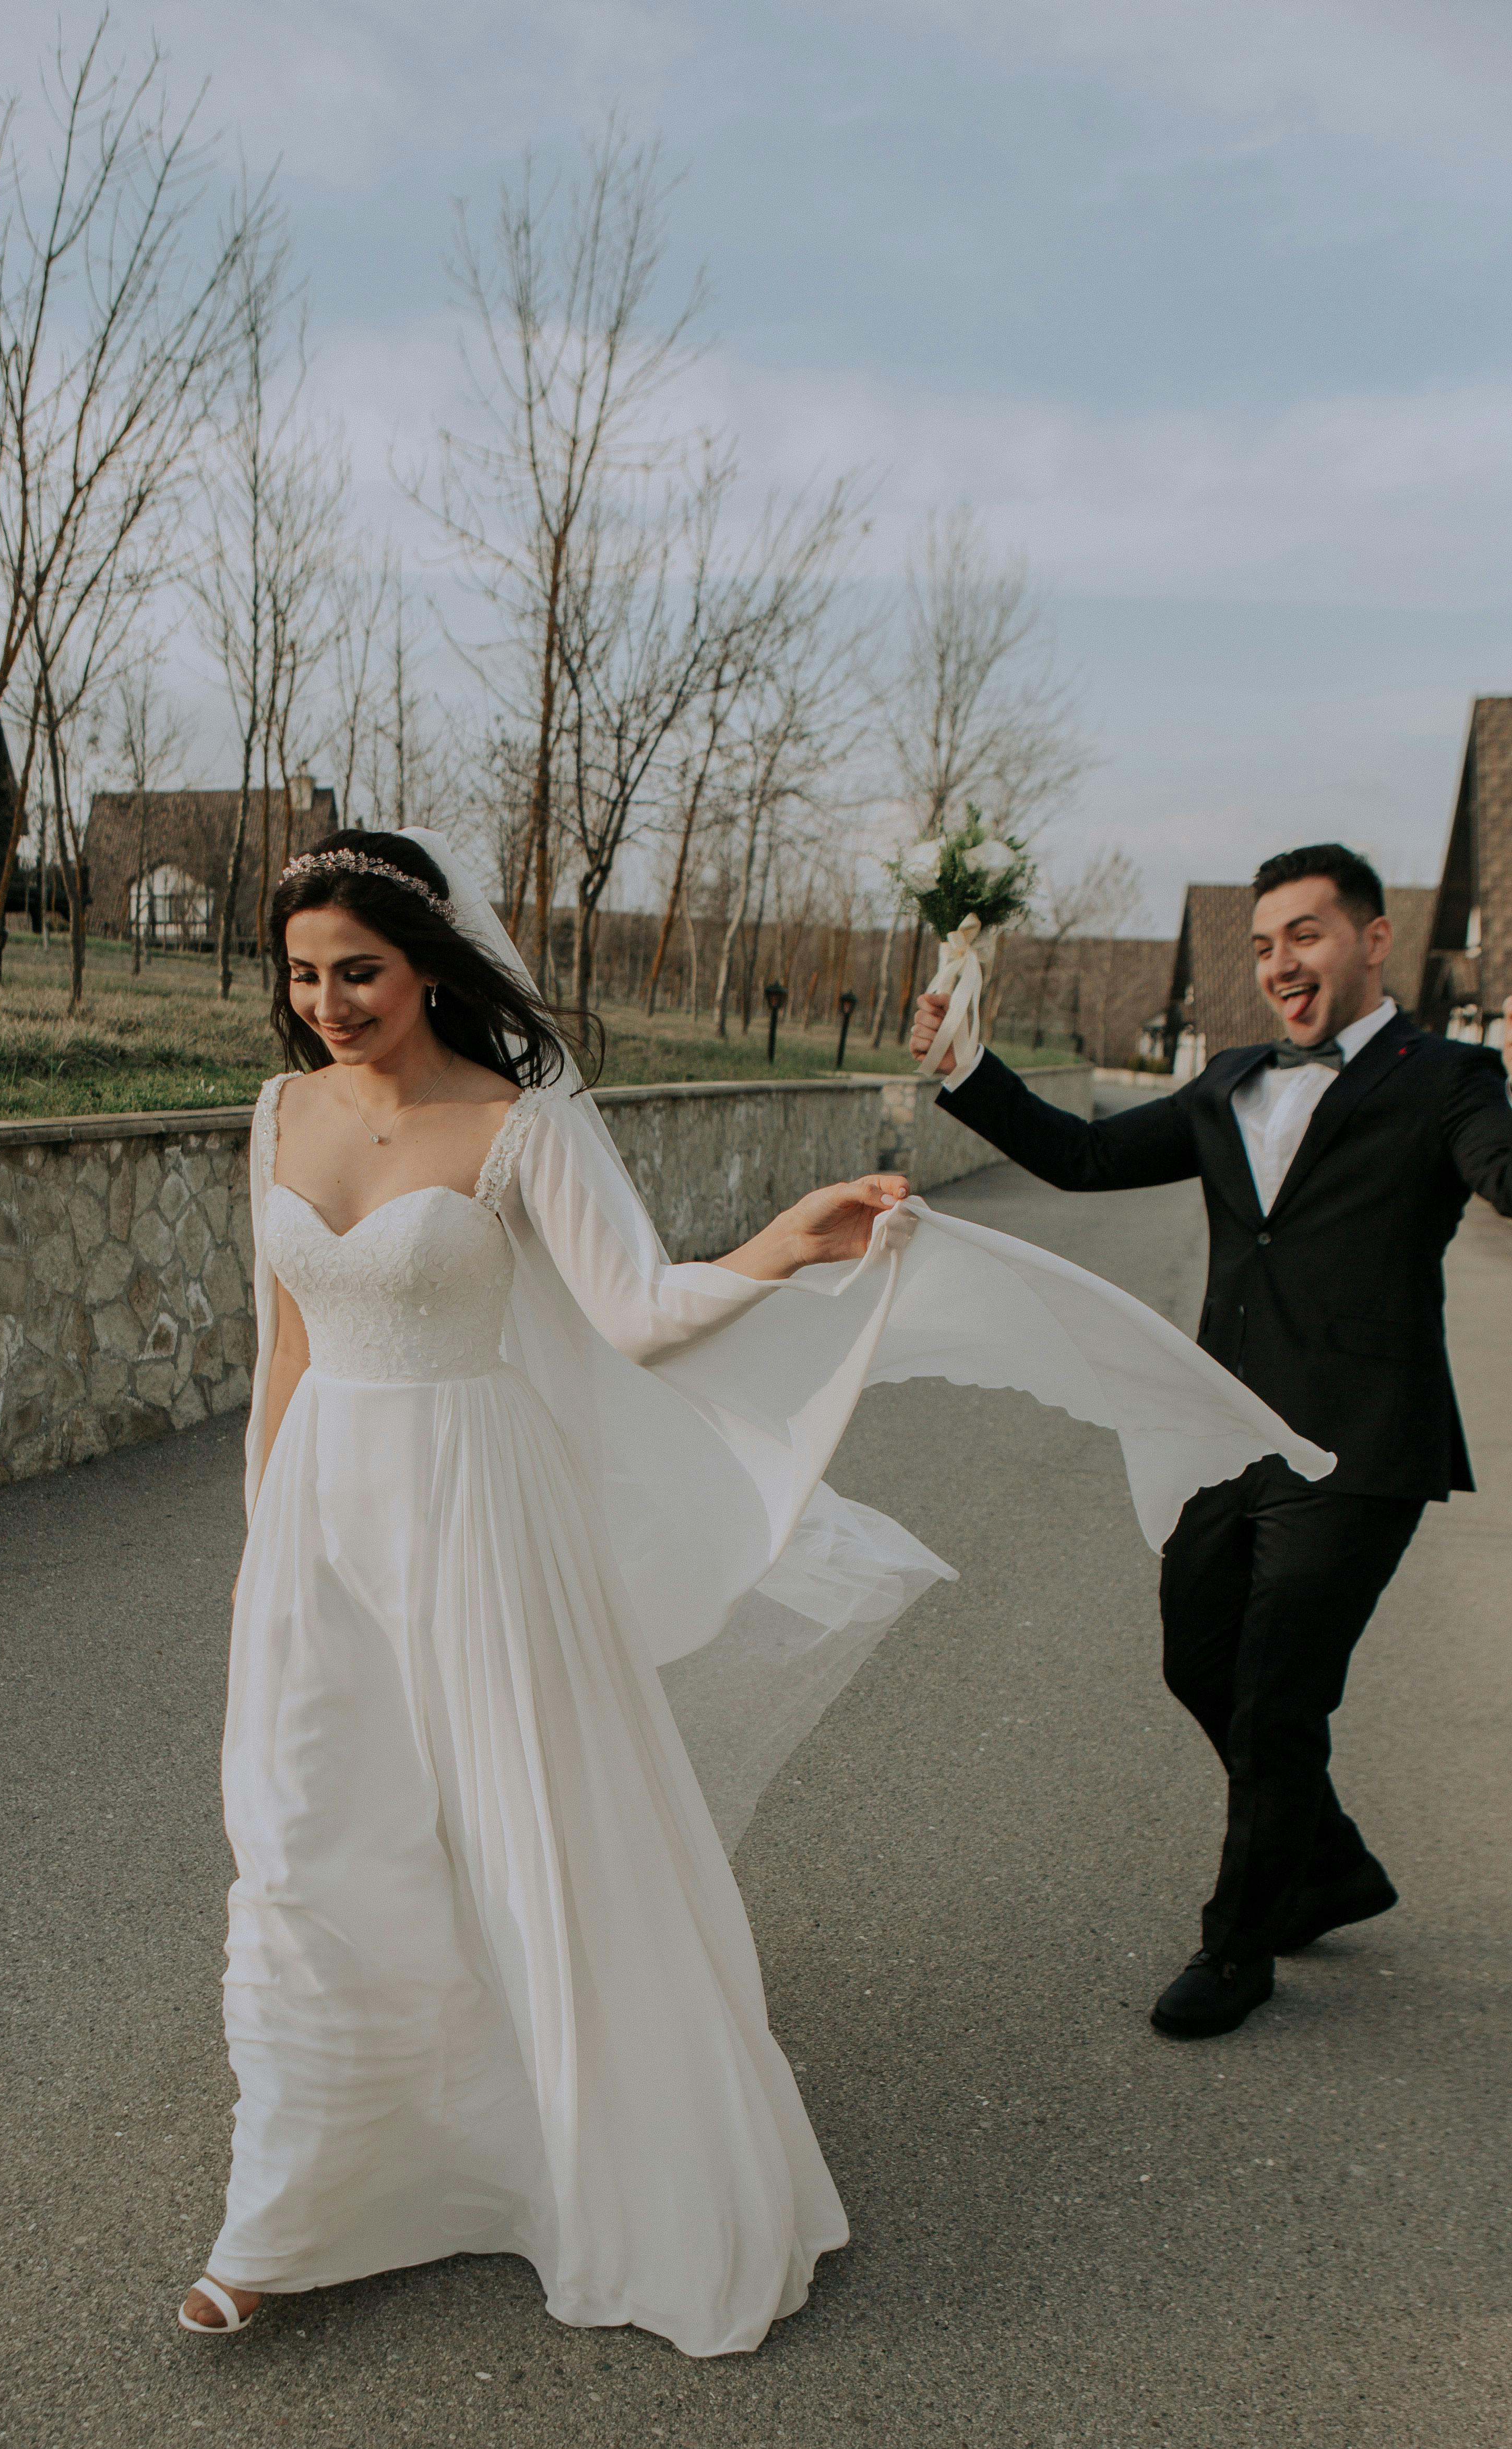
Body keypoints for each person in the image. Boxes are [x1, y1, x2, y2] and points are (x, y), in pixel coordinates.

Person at [181, 829, 1327, 2355]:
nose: (328, 1001)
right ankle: (286, 2211)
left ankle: (570, 2158)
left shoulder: (515, 1123)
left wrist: (795, 1239)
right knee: (311, 1840)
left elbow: (641, 1313)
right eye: (304, 974)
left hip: (477, 1523)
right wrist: (267, 1539)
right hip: (322, 1526)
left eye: (361, 972)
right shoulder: (279, 1112)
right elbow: (287, 1345)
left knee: (522, 1835)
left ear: (432, 967)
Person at [912, 842, 1512, 2040]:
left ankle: (1238, 1949)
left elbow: (1494, 1167)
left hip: (1355, 1448)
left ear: (1371, 937)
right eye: (1261, 945)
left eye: (1304, 935)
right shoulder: (1227, 1081)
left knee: (1273, 1700)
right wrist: (963, 1064)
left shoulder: (1448, 1075)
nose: (1279, 965)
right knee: (1198, 1661)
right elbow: (1083, 1160)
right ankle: (1327, 1861)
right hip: (1220, 1432)